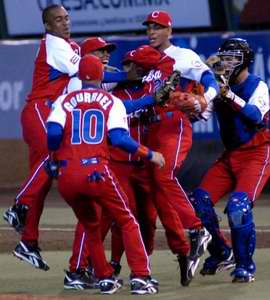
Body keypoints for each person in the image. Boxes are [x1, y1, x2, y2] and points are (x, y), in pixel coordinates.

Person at [46, 54, 164, 294]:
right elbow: (120, 138)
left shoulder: (63, 100)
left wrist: (59, 154)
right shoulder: (111, 101)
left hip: (68, 175)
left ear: (79, 75)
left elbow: (53, 134)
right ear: (101, 75)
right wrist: (149, 154)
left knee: (90, 225)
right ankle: (141, 277)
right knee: (127, 220)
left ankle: (105, 278)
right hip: (96, 171)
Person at [139, 10, 218, 284]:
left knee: (164, 175)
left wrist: (203, 100)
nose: (152, 32)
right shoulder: (148, 61)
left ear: (169, 30)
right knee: (156, 190)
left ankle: (197, 230)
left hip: (175, 124)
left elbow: (210, 81)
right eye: (149, 27)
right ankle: (184, 250)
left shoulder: (183, 56)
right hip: (152, 128)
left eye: (158, 27)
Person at [3, 4, 81, 270]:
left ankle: (28, 242)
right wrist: (127, 76)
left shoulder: (70, 48)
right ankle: (18, 207)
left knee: (43, 180)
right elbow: (88, 70)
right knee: (53, 156)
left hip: (50, 112)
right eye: (58, 20)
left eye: (67, 18)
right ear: (48, 26)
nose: (65, 23)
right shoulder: (55, 44)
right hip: (40, 108)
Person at [190, 38, 270, 283]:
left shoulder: (258, 85)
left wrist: (227, 94)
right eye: (224, 57)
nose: (227, 62)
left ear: (244, 60)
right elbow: (200, 115)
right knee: (199, 202)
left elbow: (255, 116)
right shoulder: (217, 85)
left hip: (258, 152)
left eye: (233, 58)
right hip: (231, 154)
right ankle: (222, 251)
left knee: (238, 207)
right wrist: (193, 100)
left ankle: (245, 265)